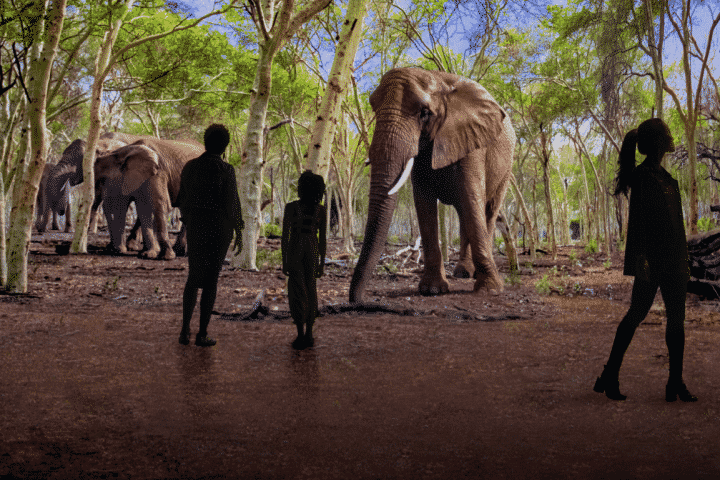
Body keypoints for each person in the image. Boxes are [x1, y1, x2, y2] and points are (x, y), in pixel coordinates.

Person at [594, 118, 697, 402]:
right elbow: (646, 228)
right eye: (666, 133)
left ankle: (675, 382)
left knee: (677, 321)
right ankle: (610, 374)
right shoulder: (643, 178)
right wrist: (648, 264)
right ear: (659, 143)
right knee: (636, 315)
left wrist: (682, 260)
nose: (670, 137)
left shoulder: (664, 178)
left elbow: (673, 226)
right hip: (654, 262)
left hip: (674, 262)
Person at [177, 124, 244, 347]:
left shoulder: (190, 167)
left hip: (196, 226)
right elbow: (232, 203)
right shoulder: (226, 170)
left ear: (205, 141)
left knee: (193, 277)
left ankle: (185, 330)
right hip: (219, 229)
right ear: (225, 146)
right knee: (211, 281)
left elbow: (182, 199)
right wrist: (238, 229)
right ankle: (202, 333)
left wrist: (189, 219)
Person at [282, 171, 327, 349]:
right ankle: (309, 334)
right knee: (311, 290)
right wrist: (322, 262)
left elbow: (285, 236)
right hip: (312, 248)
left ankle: (300, 334)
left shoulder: (291, 207)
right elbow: (322, 239)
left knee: (296, 291)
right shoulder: (321, 210)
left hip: (295, 249)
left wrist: (284, 260)